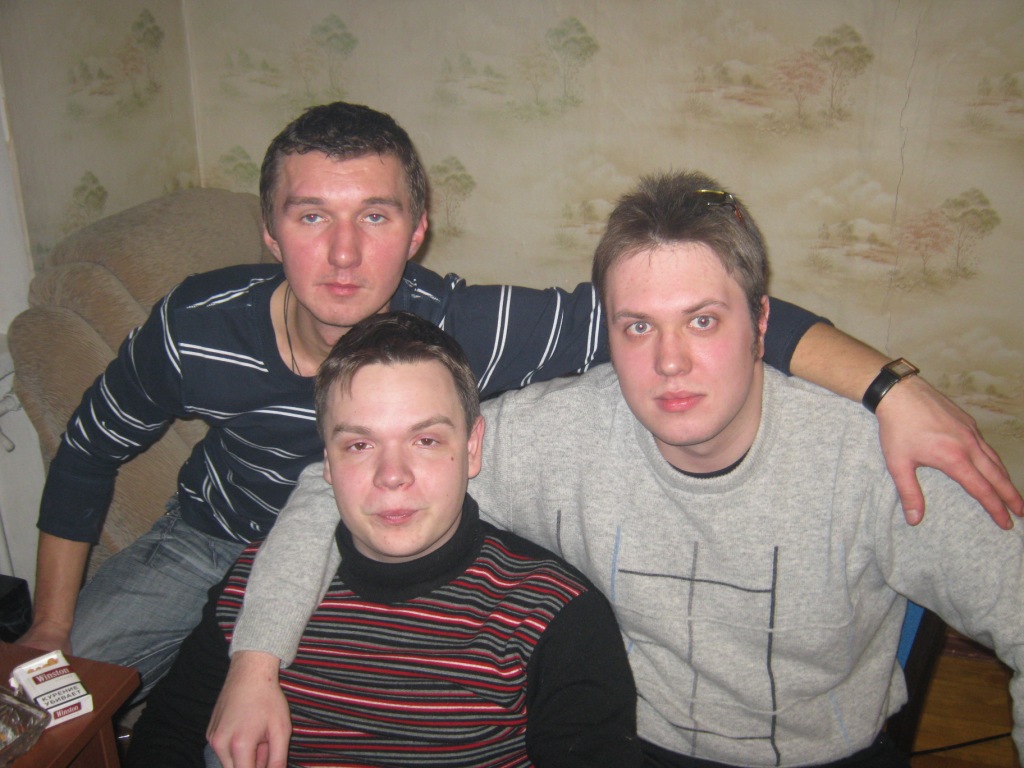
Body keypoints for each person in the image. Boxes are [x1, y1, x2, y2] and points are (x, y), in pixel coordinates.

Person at [18, 99, 1021, 701]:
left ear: (418, 229)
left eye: (376, 216)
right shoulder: (194, 323)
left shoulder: (471, 326)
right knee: (53, 694)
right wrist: (51, 628)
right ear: (270, 230)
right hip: (208, 533)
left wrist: (889, 388)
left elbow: (683, 304)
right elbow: (90, 449)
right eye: (311, 216)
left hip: (382, 546)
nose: (343, 253)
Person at [226, 172, 1024, 767]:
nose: (670, 362)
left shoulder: (871, 458)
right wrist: (256, 664)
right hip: (630, 747)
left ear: (762, 325)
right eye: (637, 327)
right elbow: (335, 481)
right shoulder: (560, 432)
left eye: (702, 321)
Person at [124, 312, 642, 767]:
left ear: (472, 447)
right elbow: (166, 737)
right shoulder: (254, 588)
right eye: (359, 445)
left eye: (426, 440)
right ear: (327, 463)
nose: (392, 475)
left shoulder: (553, 614)